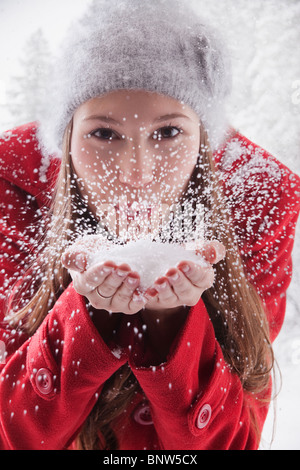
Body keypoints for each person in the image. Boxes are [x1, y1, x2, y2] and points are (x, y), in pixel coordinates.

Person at [0, 0, 299, 451]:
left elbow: (237, 438)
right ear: (68, 139)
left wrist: (172, 329)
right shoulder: (13, 190)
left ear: (203, 139)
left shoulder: (256, 202)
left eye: (168, 133)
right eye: (104, 134)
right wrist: (87, 318)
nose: (136, 172)